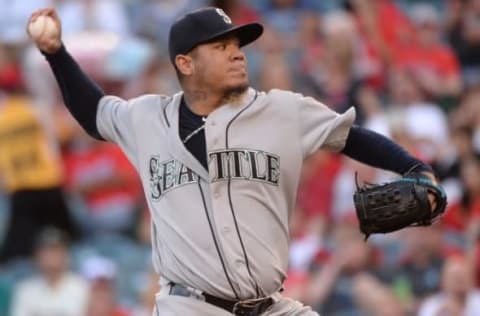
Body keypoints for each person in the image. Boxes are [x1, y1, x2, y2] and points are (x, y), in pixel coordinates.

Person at [27, 6, 443, 316]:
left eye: (237, 45)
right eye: (221, 46)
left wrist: (414, 168)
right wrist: (56, 52)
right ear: (185, 64)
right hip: (190, 308)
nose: (237, 53)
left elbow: (351, 138)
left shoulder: (282, 111)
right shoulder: (145, 117)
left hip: (272, 306)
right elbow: (94, 112)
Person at [10, 227, 90, 316]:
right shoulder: (25, 290)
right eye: (47, 252)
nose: (52, 257)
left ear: (66, 255)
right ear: (37, 256)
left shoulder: (83, 287)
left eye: (56, 251)